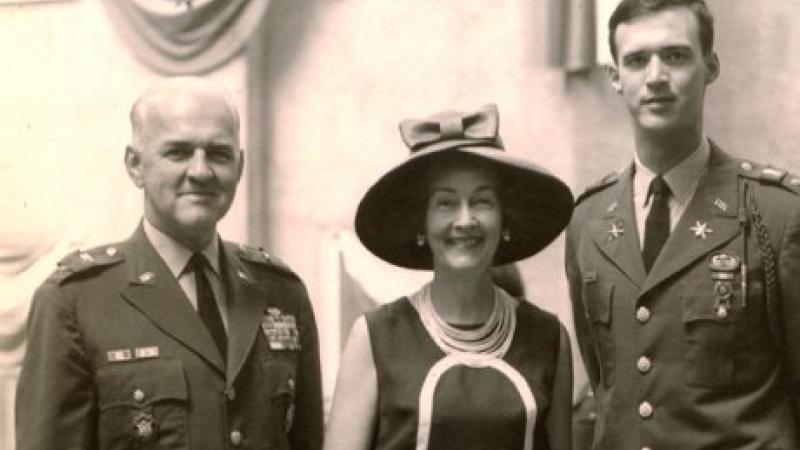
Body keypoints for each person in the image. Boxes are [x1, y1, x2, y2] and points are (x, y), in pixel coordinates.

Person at [15, 77, 323, 450]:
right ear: (135, 165)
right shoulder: (75, 302)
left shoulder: (280, 292)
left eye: (219, 153)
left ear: (239, 167)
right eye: (178, 152)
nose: (201, 171)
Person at [566, 1, 800, 448]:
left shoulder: (777, 213)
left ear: (710, 67)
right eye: (636, 60)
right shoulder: (589, 221)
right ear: (615, 77)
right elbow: (607, 385)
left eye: (675, 55)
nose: (655, 76)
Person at [325, 104, 575, 450]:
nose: (465, 220)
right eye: (445, 203)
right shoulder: (374, 338)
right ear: (422, 225)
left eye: (482, 202)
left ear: (505, 220)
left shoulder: (549, 339)